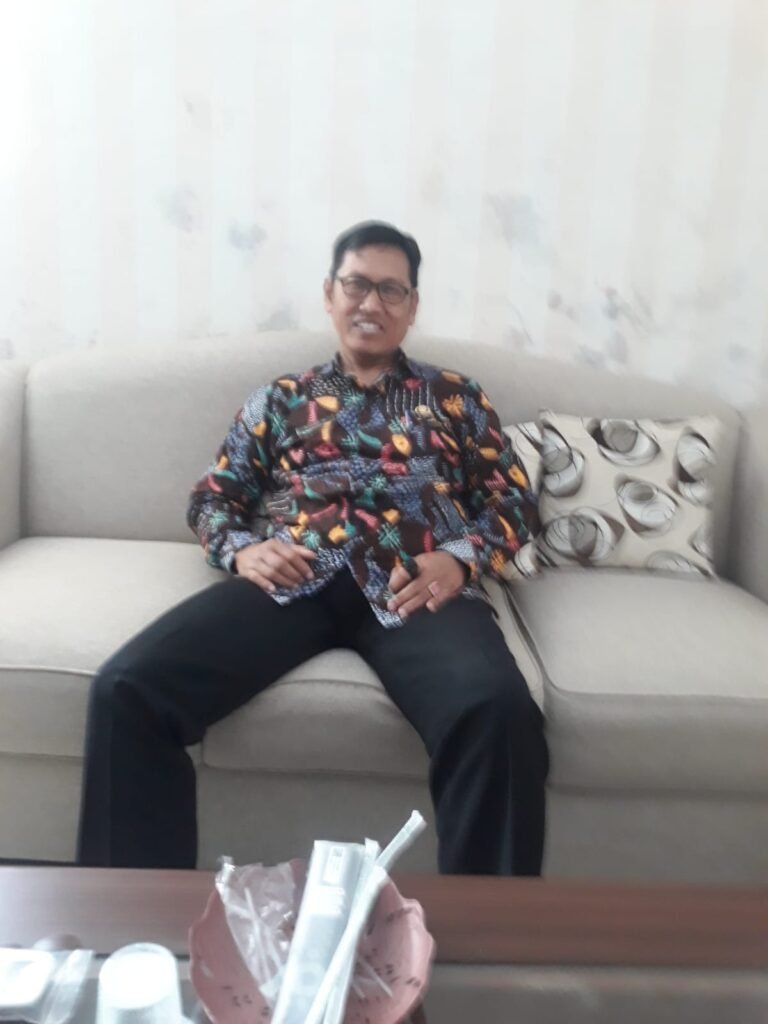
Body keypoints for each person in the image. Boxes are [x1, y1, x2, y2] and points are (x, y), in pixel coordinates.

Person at [76, 220, 549, 874]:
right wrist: (242, 550)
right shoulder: (280, 399)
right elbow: (213, 498)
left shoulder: (456, 397)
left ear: (412, 307)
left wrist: (459, 559)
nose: (371, 302)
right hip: (293, 580)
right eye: (357, 285)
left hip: (413, 586)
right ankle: (133, 919)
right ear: (330, 294)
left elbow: (514, 503)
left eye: (391, 290)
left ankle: (489, 930)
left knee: (499, 712)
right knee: (127, 689)